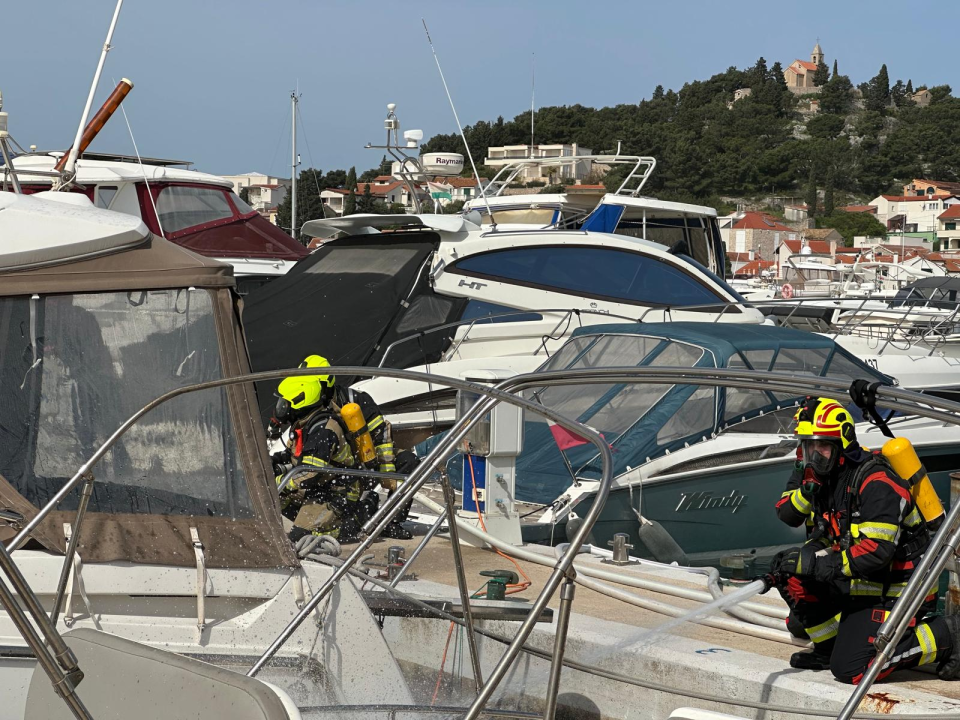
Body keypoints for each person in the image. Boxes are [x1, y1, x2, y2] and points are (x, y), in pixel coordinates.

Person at [771, 396, 959, 683]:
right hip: (859, 577)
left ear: (842, 444)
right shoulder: (820, 475)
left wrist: (818, 567)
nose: (814, 454)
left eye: (822, 446)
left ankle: (949, 633)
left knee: (851, 669)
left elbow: (876, 552)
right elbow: (794, 517)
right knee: (792, 587)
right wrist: (800, 560)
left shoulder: (876, 482)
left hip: (896, 588)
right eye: (809, 446)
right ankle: (829, 647)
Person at [268, 355, 412, 543]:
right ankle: (316, 518)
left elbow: (381, 435)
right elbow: (300, 456)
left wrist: (385, 472)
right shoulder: (310, 415)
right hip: (329, 474)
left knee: (410, 462)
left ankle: (386, 520)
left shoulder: (352, 402)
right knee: (280, 500)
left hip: (359, 468)